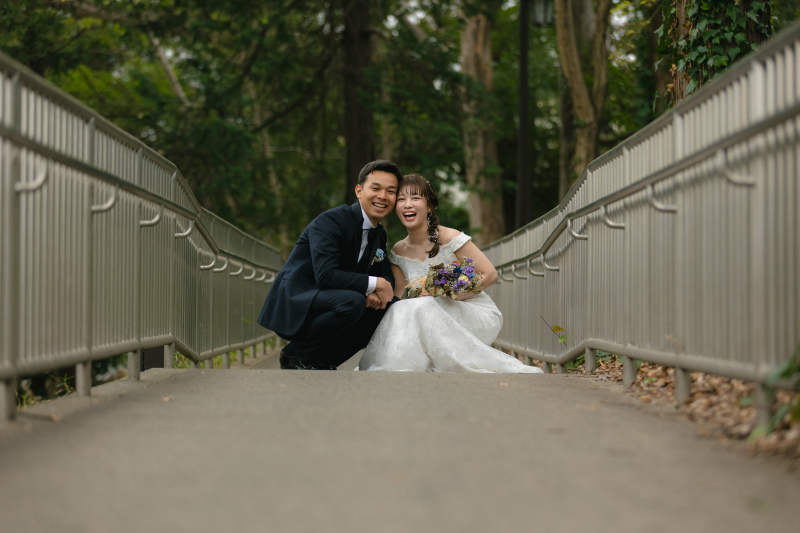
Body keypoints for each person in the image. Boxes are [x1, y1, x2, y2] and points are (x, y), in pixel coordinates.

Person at [358, 174, 543, 374]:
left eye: (415, 198)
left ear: (429, 206)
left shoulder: (450, 237)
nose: (407, 204)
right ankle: (398, 364)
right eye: (401, 199)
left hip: (474, 312)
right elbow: (397, 297)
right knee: (402, 307)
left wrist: (449, 293)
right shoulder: (398, 251)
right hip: (429, 313)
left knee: (426, 305)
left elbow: (490, 275)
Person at [257, 160, 402, 369]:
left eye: (391, 191)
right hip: (300, 298)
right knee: (352, 301)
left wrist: (378, 290)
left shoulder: (379, 234)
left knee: (387, 307)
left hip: (334, 298)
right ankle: (294, 354)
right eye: (376, 188)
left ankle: (323, 362)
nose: (383, 196)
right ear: (359, 191)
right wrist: (375, 284)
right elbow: (326, 276)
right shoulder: (332, 221)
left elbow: (384, 272)